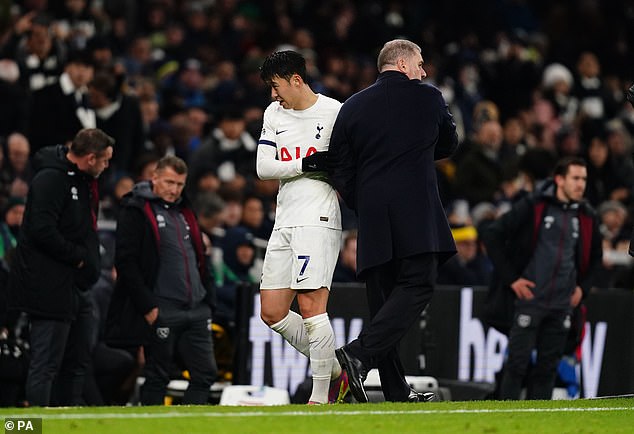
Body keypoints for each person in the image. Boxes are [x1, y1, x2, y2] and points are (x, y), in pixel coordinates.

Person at [328, 39, 459, 403]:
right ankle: (358, 354)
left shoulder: (351, 107)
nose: (424, 70)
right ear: (402, 64)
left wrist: (363, 200)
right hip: (416, 213)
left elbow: (339, 166)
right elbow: (449, 143)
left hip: (372, 218)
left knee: (384, 304)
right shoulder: (428, 97)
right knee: (419, 284)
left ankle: (397, 393)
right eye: (419, 63)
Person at [256, 50, 349, 405]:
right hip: (285, 218)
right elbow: (264, 167)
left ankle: (321, 397)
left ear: (296, 79)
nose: (273, 95)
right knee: (272, 312)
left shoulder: (335, 111)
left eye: (275, 86)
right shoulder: (273, 113)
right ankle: (340, 370)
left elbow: (346, 162)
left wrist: (330, 169)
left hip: (319, 217)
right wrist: (307, 163)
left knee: (312, 307)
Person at [7, 128, 114, 406]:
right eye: (105, 160)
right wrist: (78, 256)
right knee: (45, 364)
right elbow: (41, 229)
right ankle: (31, 427)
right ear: (91, 158)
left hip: (77, 287)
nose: (107, 166)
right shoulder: (50, 179)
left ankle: (67, 423)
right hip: (50, 286)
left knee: (78, 362)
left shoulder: (81, 180)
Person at [481, 156, 602, 400]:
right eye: (576, 178)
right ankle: (504, 419)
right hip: (530, 301)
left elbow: (596, 258)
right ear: (559, 179)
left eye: (584, 179)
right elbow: (492, 234)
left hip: (562, 304)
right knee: (516, 365)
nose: (581, 185)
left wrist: (583, 289)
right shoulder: (534, 206)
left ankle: (540, 421)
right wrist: (512, 279)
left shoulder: (587, 216)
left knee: (548, 368)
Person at [110, 155, 217, 405]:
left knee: (205, 374)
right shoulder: (136, 210)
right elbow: (126, 262)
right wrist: (147, 306)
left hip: (196, 308)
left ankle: (188, 427)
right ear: (154, 178)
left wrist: (207, 300)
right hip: (162, 307)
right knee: (158, 375)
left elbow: (199, 256)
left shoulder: (184, 211)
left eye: (180, 184)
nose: (174, 190)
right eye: (169, 182)